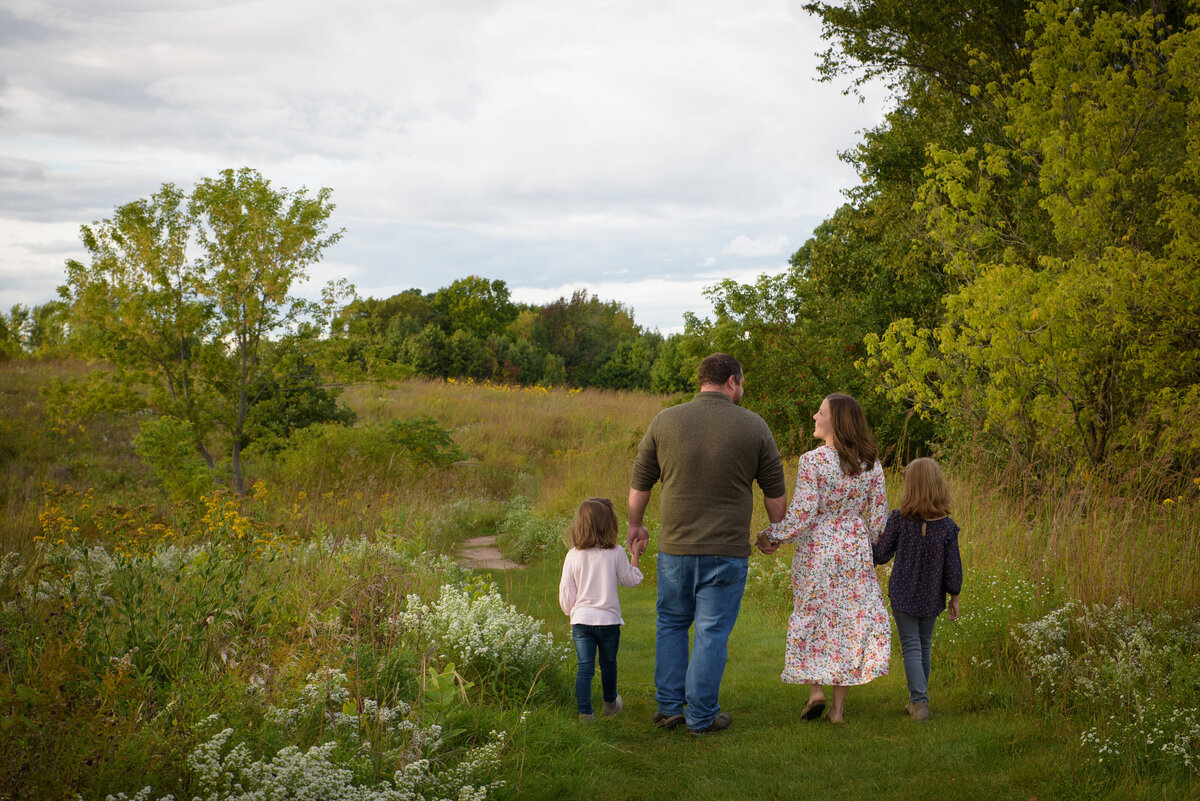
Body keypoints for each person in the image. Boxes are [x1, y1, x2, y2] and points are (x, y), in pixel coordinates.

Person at [628, 353, 787, 736]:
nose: (742, 390)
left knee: (670, 624)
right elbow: (775, 494)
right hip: (726, 551)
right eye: (742, 383)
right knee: (711, 632)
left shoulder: (665, 420)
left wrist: (635, 525)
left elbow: (641, 481)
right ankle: (701, 717)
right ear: (732, 381)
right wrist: (774, 532)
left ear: (702, 380)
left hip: (675, 548)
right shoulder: (754, 426)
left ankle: (669, 709)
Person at [755, 393, 890, 724]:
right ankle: (837, 710)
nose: (815, 415)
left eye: (821, 412)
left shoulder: (813, 461)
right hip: (855, 553)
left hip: (817, 552)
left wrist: (770, 537)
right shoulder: (871, 464)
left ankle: (816, 692)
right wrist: (864, 542)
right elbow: (880, 521)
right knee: (847, 624)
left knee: (813, 616)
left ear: (837, 420)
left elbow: (801, 515)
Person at [871, 457, 963, 723]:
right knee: (924, 645)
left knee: (911, 646)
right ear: (938, 486)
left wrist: (863, 536)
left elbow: (880, 554)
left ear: (910, 487)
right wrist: (954, 595)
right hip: (932, 596)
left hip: (903, 594)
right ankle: (916, 700)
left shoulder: (900, 520)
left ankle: (920, 702)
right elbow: (953, 568)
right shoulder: (947, 526)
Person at [559, 497, 645, 722]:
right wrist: (635, 554)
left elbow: (567, 592)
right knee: (608, 665)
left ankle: (585, 713)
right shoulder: (615, 552)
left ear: (581, 524)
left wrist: (573, 613)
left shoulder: (573, 555)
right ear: (609, 524)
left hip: (581, 621)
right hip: (608, 622)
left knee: (584, 668)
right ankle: (610, 704)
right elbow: (631, 580)